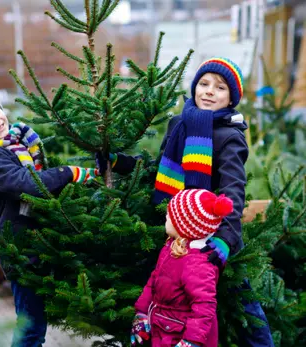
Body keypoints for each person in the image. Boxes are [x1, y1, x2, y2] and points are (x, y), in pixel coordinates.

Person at [98, 57, 274, 346]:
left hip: (212, 237)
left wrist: (224, 241)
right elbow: (159, 169)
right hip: (178, 229)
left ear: (231, 98)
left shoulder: (230, 136)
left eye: (219, 88)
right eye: (203, 83)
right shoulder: (179, 125)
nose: (208, 91)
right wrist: (119, 162)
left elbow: (233, 191)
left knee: (243, 303)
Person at [0, 88, 99, 347]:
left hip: (38, 241)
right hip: (20, 248)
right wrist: (67, 173)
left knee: (34, 324)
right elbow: (25, 183)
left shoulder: (18, 141)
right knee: (31, 328)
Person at [132, 189, 233, 347]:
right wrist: (142, 313)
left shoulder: (197, 264)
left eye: (171, 215)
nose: (166, 216)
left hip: (178, 336)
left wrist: (190, 341)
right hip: (162, 328)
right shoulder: (171, 247)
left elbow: (204, 306)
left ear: (185, 227)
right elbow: (154, 279)